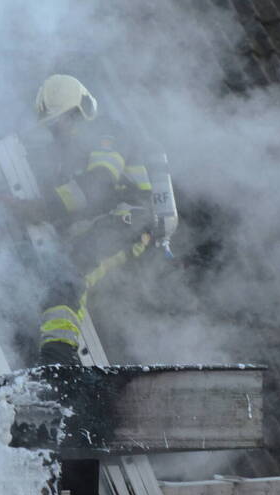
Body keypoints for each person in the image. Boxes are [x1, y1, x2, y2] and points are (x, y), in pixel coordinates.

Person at [9, 74, 165, 366]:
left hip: (130, 219)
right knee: (48, 271)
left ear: (81, 112)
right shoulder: (72, 149)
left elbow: (98, 183)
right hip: (105, 222)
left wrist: (42, 208)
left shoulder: (108, 134)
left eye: (63, 121)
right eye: (54, 126)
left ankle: (59, 363)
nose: (59, 131)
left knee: (69, 271)